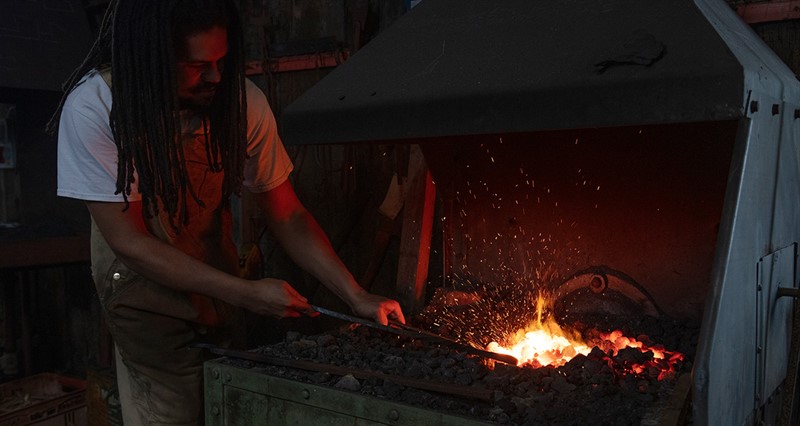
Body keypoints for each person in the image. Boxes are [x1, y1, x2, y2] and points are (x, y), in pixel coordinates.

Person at [47, 0, 405, 424]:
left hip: (218, 291)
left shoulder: (240, 103)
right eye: (198, 65)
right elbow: (130, 243)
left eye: (222, 60)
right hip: (143, 297)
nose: (216, 76)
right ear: (154, 58)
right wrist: (249, 294)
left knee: (227, 405)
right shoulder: (95, 108)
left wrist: (356, 295)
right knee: (174, 413)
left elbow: (287, 214)